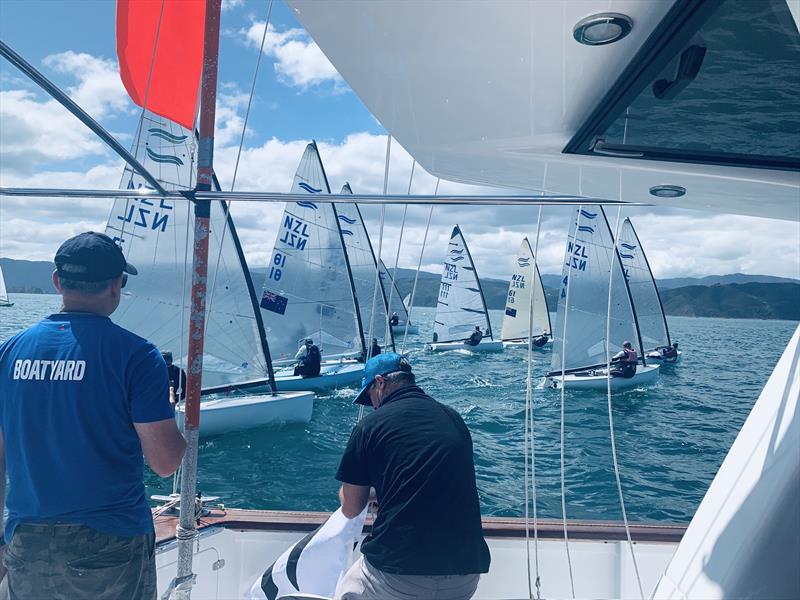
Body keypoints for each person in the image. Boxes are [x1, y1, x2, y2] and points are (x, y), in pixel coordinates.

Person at [0, 231, 186, 600]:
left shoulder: (8, 352)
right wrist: (168, 407)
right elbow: (166, 462)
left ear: (57, 281)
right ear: (117, 286)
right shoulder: (137, 356)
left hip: (26, 536)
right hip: (110, 540)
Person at [335, 353, 490, 600]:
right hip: (466, 573)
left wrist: (345, 493)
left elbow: (352, 508)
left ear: (380, 382)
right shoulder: (453, 418)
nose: (372, 405)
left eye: (369, 396)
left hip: (400, 575)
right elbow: (431, 477)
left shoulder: (369, 426)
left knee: (347, 591)